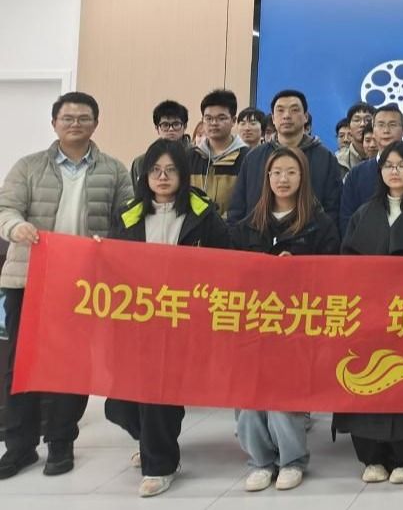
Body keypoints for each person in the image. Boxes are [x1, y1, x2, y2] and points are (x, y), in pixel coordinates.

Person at [0, 92, 132, 480]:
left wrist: (111, 240)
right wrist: (15, 227)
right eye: (68, 118)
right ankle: (19, 446)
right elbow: (5, 207)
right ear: (54, 123)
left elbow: (129, 217)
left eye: (83, 118)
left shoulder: (114, 170)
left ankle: (61, 442)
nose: (75, 124)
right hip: (29, 279)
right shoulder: (28, 166)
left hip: (84, 284)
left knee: (72, 365)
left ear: (96, 124)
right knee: (20, 364)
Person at [104, 139, 230, 497]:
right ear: (145, 175)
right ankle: (152, 439)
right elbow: (113, 262)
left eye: (171, 170)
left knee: (157, 389)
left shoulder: (202, 213)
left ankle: (159, 464)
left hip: (182, 317)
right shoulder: (128, 214)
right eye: (156, 170)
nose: (162, 177)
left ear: (183, 174)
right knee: (120, 403)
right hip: (137, 317)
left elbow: (228, 260)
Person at [229, 146, 338, 492]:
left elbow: (333, 274)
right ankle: (259, 461)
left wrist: (299, 270)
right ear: (266, 178)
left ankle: (291, 460)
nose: (283, 179)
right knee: (249, 395)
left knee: (283, 394)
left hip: (295, 323)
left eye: (291, 172)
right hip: (254, 321)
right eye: (276, 173)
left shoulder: (319, 225)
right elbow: (230, 273)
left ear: (303, 177)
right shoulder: (248, 225)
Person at [337, 141, 403, 485]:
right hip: (367, 315)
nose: (394, 171)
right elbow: (348, 261)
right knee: (364, 379)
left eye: (402, 165)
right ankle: (371, 458)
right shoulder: (363, 213)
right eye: (388, 165)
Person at [228, 90, 341, 228]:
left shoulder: (325, 158)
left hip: (310, 237)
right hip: (257, 236)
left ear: (305, 117)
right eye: (280, 110)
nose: (286, 116)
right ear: (273, 118)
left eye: (294, 110)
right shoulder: (254, 157)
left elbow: (333, 209)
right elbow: (237, 208)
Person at [340, 104, 403, 235]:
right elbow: (347, 220)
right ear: (373, 130)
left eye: (392, 125)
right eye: (380, 125)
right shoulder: (356, 174)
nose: (386, 130)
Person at [189, 89, 250, 216]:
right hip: (195, 227)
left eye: (221, 118)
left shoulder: (248, 158)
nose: (214, 123)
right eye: (208, 118)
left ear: (233, 120)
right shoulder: (191, 156)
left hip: (232, 227)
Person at [130, 100, 190, 187]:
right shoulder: (141, 163)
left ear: (185, 126)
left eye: (176, 124)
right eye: (165, 125)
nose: (171, 129)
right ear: (157, 128)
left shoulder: (195, 158)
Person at [336, 103, 375, 175]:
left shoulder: (386, 158)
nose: (362, 124)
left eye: (368, 120)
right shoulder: (337, 161)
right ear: (349, 127)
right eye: (357, 120)